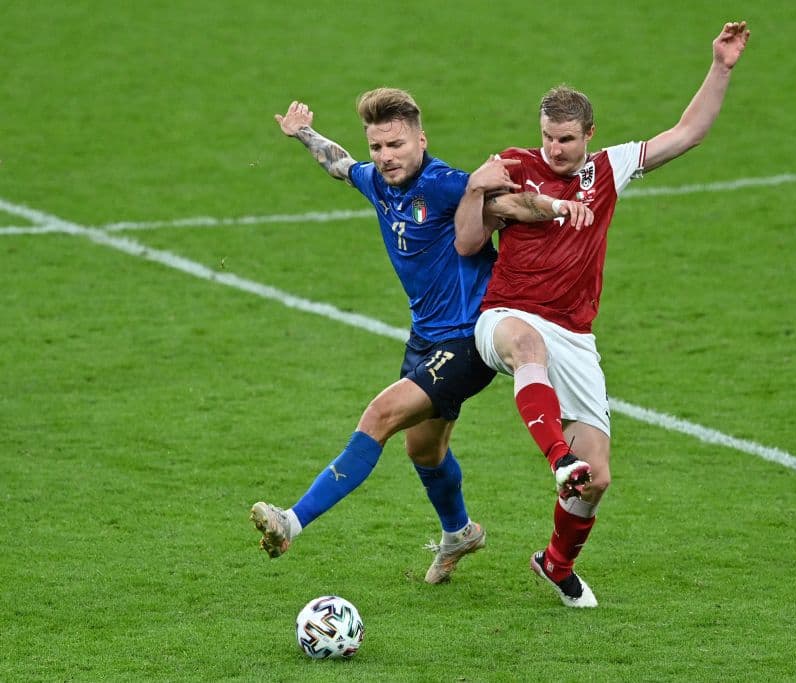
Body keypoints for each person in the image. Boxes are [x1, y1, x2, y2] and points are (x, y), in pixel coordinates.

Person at [455, 21, 751, 607]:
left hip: (575, 333)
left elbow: (687, 133)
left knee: (600, 477)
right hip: (506, 314)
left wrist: (720, 67)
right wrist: (478, 192)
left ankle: (556, 562)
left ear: (589, 134)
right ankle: (557, 458)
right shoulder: (513, 166)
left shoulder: (609, 170)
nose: (554, 148)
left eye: (565, 139)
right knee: (527, 350)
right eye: (547, 136)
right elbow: (467, 243)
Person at [251, 90, 593, 584]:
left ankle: (292, 522)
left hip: (468, 340)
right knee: (424, 452)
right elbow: (339, 164)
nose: (385, 157)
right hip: (425, 339)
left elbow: (512, 204)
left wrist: (560, 206)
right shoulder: (377, 181)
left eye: (396, 145)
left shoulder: (444, 184)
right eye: (377, 147)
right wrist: (302, 133)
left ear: (420, 139)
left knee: (379, 415)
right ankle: (460, 532)